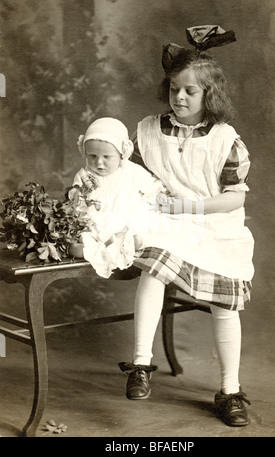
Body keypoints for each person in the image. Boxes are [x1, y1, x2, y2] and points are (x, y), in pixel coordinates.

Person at [118, 25, 255, 427]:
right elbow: (132, 178)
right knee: (156, 267)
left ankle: (230, 390)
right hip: (165, 223)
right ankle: (140, 365)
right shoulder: (147, 131)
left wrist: (190, 206)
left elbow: (236, 197)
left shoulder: (225, 139)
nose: (179, 97)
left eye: (190, 91)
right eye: (175, 88)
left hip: (215, 224)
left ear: (208, 95)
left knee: (225, 303)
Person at [72, 117, 167, 278]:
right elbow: (75, 196)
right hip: (96, 222)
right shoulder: (85, 174)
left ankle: (128, 244)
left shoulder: (131, 171)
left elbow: (151, 186)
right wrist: (79, 192)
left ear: (122, 153)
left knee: (136, 232)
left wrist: (160, 194)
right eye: (92, 156)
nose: (99, 163)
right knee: (82, 239)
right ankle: (89, 248)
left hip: (123, 219)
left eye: (107, 157)